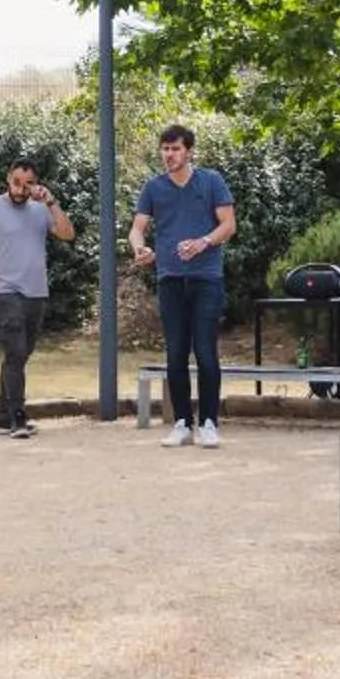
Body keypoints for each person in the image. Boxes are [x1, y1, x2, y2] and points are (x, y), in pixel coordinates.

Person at [130, 123, 236, 448]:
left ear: (189, 151)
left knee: (205, 351)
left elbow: (228, 225)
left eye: (175, 149)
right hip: (170, 280)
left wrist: (204, 242)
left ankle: (208, 423)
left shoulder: (212, 181)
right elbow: (137, 229)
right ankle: (181, 423)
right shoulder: (153, 188)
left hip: (206, 279)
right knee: (175, 353)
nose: (169, 155)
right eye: (165, 149)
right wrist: (140, 248)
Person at [0, 156, 75, 438]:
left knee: (19, 355)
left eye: (28, 184)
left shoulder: (41, 210)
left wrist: (51, 202)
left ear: (36, 184)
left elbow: (67, 234)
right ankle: (17, 417)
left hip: (36, 293)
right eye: (16, 182)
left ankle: (2, 418)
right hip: (2, 291)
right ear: (7, 179)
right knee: (15, 351)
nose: (20, 189)